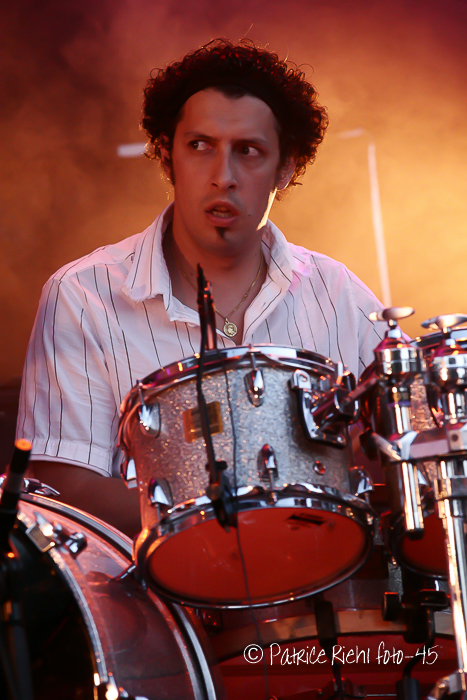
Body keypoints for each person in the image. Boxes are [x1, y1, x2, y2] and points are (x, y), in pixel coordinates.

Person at [16, 39, 384, 537]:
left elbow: (405, 449)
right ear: (166, 156)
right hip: (155, 587)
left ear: (286, 167)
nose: (222, 177)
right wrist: (234, 523)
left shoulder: (338, 292)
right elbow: (64, 489)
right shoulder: (83, 294)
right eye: (200, 146)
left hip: (327, 579)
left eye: (248, 151)